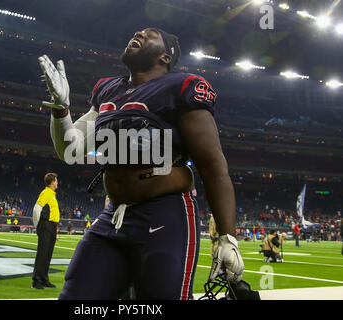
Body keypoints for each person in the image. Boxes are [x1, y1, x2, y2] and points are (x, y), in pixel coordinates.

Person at [38, 27, 244, 299]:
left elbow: (212, 165)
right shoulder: (108, 88)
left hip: (165, 214)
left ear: (165, 57)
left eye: (150, 35)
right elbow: (70, 149)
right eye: (137, 32)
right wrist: (60, 108)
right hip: (114, 216)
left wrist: (227, 238)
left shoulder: (181, 86)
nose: (139, 34)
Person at [31, 173, 60, 289]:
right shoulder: (46, 193)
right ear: (52, 182)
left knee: (48, 254)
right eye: (56, 180)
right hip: (45, 226)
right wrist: (38, 226)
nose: (57, 182)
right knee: (42, 254)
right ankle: (36, 281)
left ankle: (44, 278)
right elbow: (36, 210)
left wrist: (55, 230)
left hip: (51, 226)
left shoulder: (52, 194)